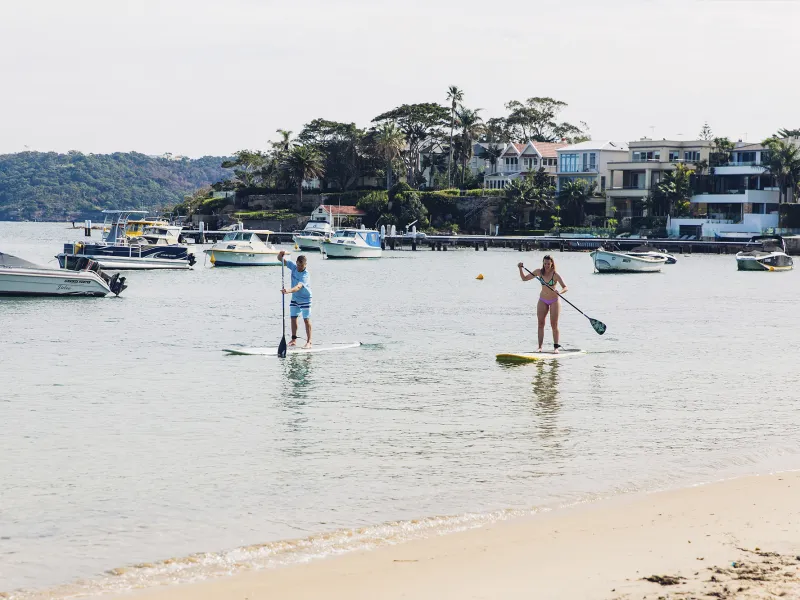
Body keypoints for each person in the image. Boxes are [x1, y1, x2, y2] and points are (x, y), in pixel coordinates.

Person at [518, 255, 568, 353]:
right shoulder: (539, 272)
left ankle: (556, 348)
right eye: (545, 263)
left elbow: (565, 287)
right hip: (543, 300)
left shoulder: (555, 275)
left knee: (554, 324)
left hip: (554, 300)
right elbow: (524, 278)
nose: (546, 265)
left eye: (548, 264)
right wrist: (520, 268)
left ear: (552, 263)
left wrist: (560, 292)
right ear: (543, 263)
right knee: (540, 323)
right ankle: (540, 347)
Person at [277, 251, 312, 349]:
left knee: (306, 319)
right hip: (295, 298)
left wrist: (288, 290)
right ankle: (293, 340)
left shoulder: (305, 275)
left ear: (305, 265)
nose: (299, 267)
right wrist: (281, 254)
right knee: (293, 318)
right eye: (298, 265)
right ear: (296, 262)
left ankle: (309, 342)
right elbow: (280, 259)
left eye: (301, 266)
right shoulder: (293, 266)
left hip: (305, 299)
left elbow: (298, 287)